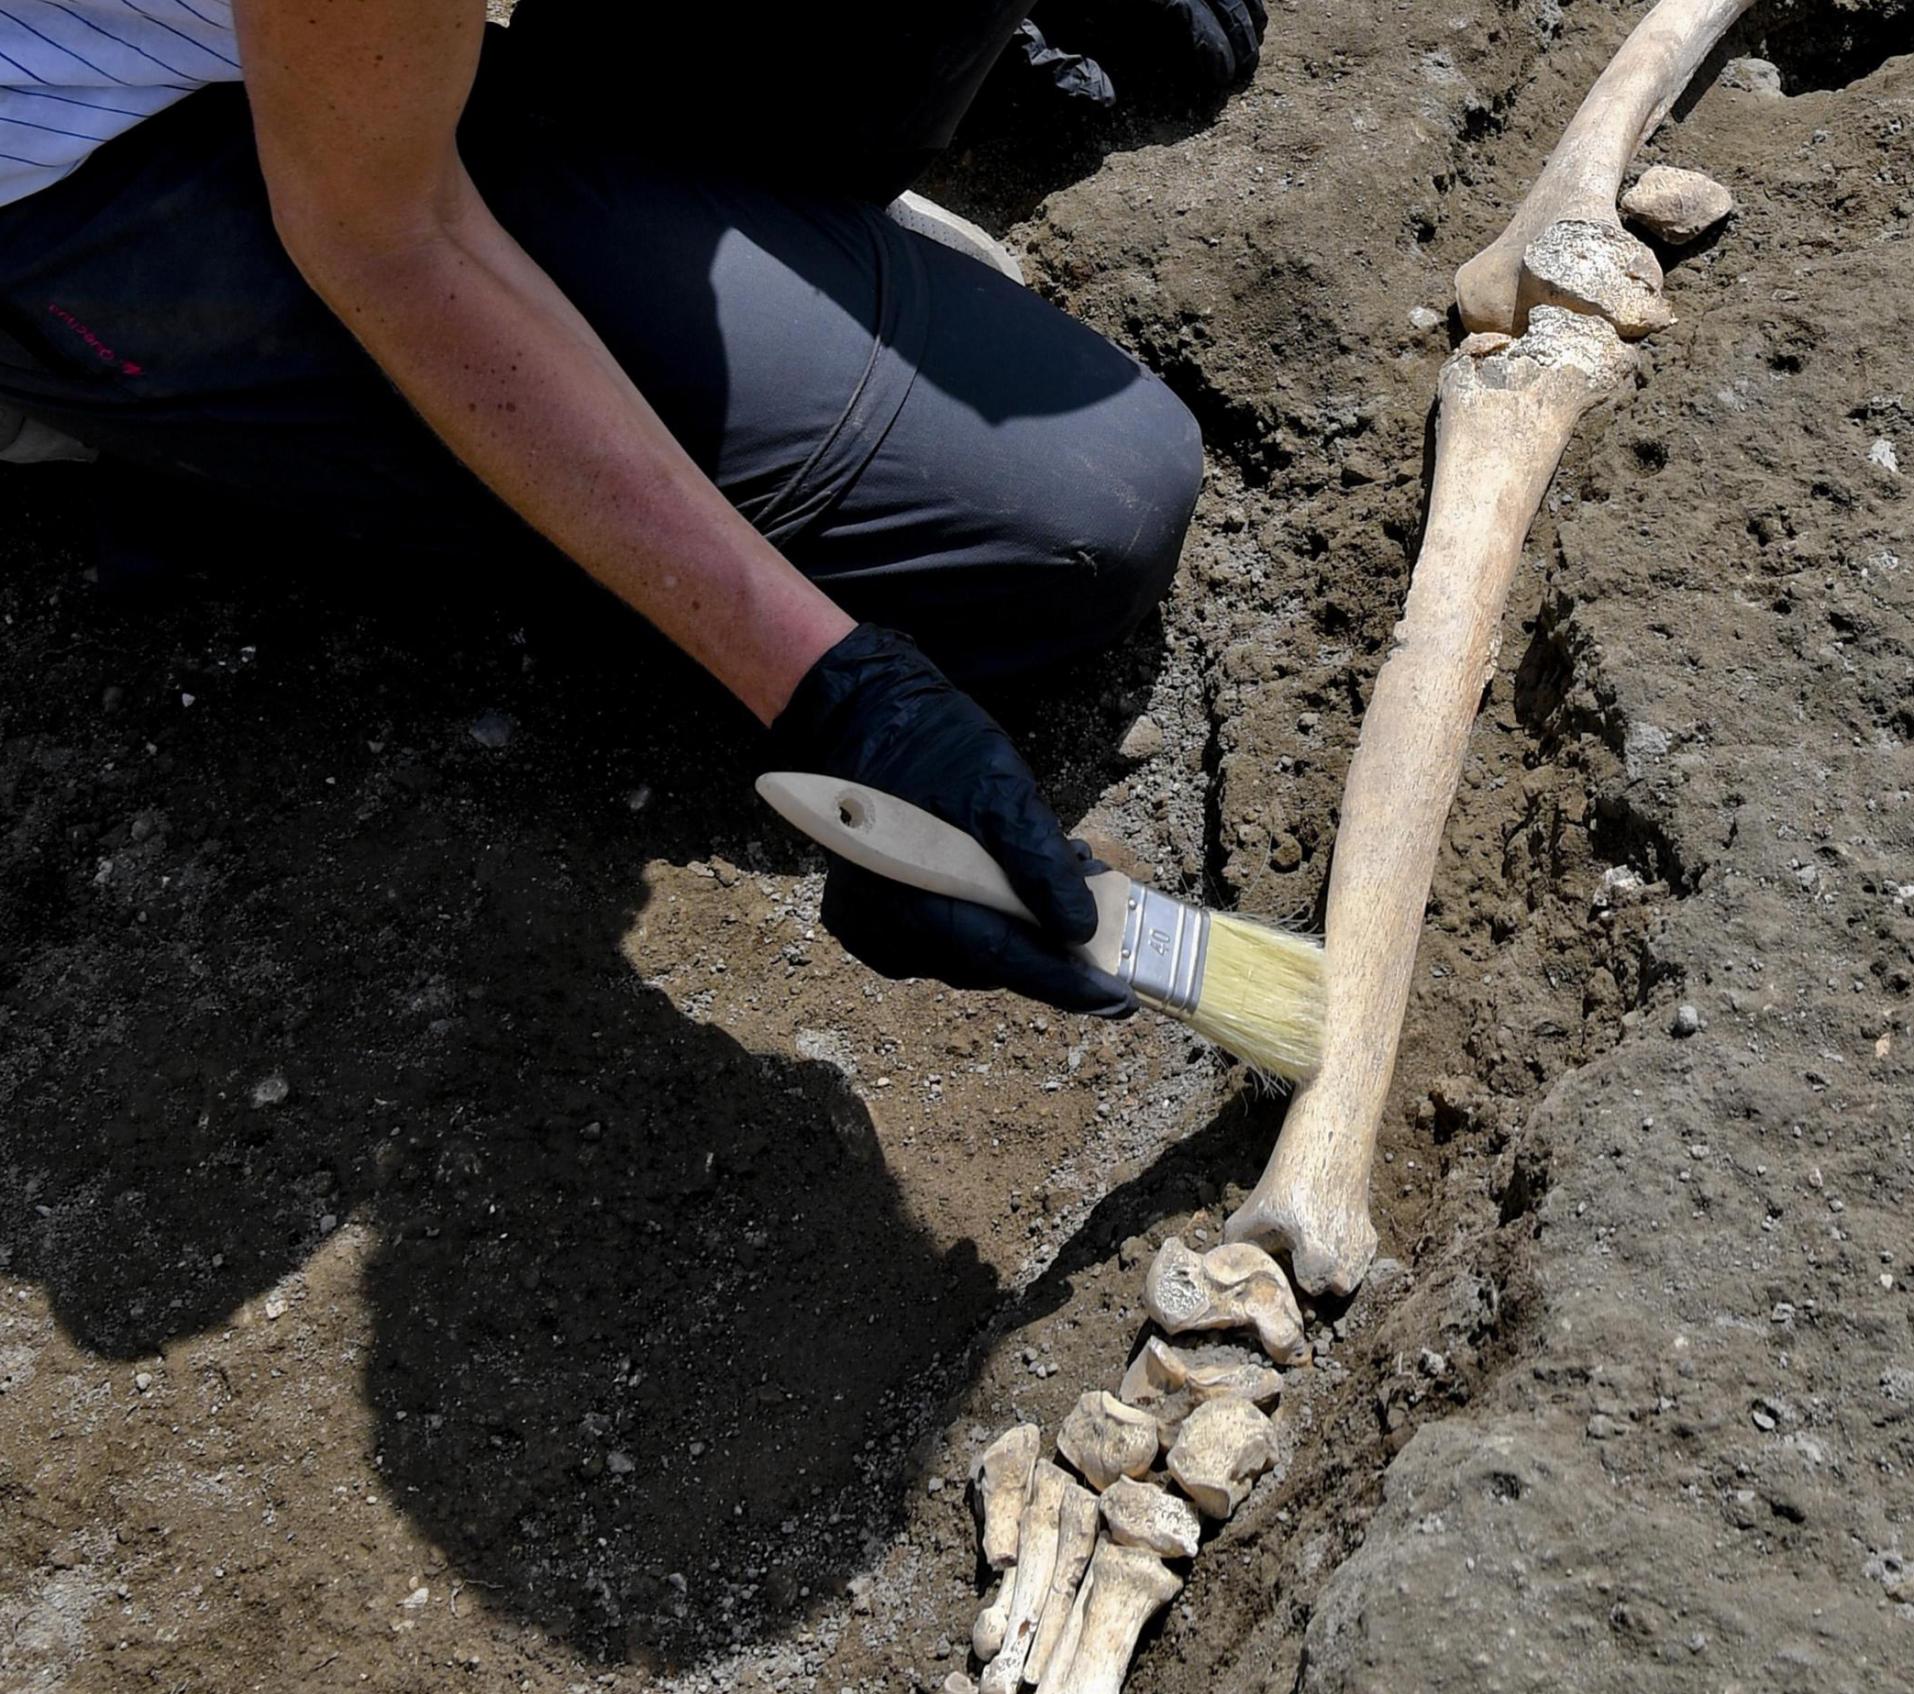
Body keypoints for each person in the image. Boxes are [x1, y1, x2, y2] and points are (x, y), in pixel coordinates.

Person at [0, 0, 1263, 1013]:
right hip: (96, 156)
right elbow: (387, 236)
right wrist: (836, 692)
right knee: (1068, 514)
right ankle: (131, 406)